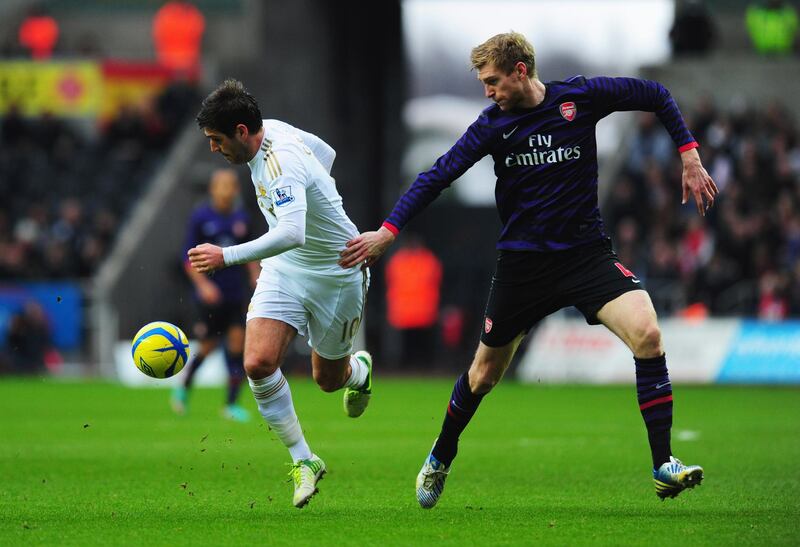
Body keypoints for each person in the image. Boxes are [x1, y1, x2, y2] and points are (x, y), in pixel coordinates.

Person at [339, 32, 717, 508]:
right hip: (523, 268)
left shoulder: (579, 98)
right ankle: (440, 454)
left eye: (493, 81)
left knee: (648, 334)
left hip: (586, 256)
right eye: (483, 84)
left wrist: (689, 152)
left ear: (520, 71)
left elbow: (656, 95)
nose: (488, 92)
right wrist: (389, 231)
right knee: (483, 376)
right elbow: (437, 174)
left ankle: (663, 464)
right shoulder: (492, 125)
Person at [190, 79, 373, 508]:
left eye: (217, 141)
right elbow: (325, 153)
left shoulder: (280, 162)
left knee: (328, 380)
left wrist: (226, 256)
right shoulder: (271, 128)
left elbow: (292, 230)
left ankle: (358, 372)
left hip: (336, 273)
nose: (214, 150)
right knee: (256, 362)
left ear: (239, 131)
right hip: (286, 270)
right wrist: (320, 193)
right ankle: (304, 460)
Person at [171, 168, 259, 422]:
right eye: (222, 185)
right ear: (212, 189)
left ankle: (230, 405)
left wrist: (255, 276)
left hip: (235, 293)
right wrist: (203, 286)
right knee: (207, 347)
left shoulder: (242, 217)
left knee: (237, 345)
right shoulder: (201, 217)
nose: (227, 190)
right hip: (211, 296)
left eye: (231, 185)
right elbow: (187, 257)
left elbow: (250, 252)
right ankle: (183, 388)